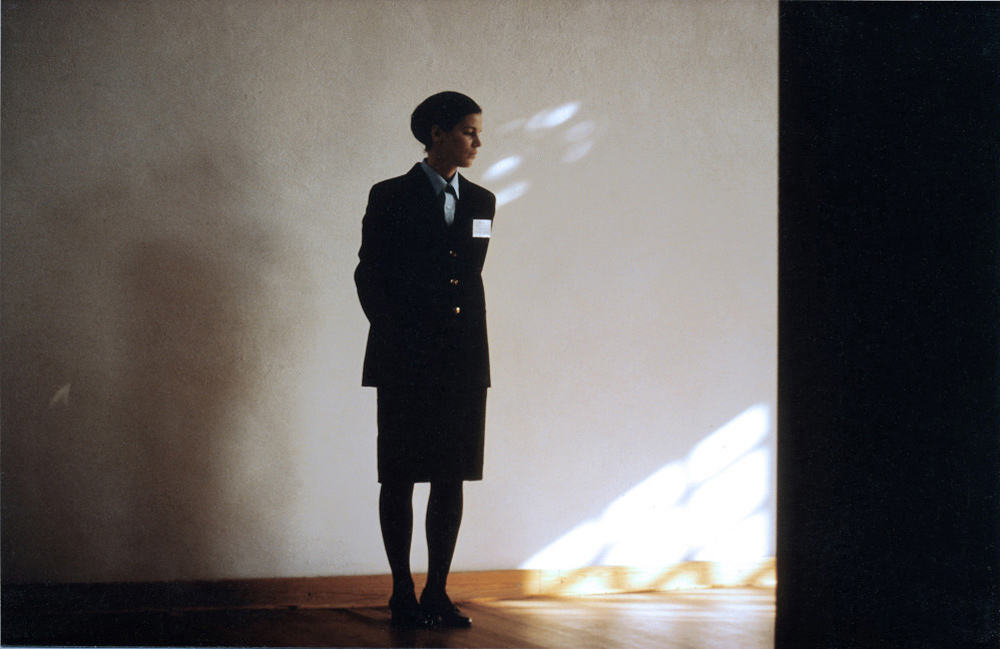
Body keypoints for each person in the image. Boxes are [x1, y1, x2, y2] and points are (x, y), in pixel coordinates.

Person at [354, 91, 496, 629]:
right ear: (436, 134)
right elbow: (370, 275)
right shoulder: (389, 196)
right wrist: (402, 337)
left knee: (451, 476)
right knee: (400, 475)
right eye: (467, 131)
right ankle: (401, 592)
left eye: (478, 131)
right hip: (406, 360)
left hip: (462, 361)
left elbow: (467, 275)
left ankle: (438, 590)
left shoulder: (482, 201)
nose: (477, 141)